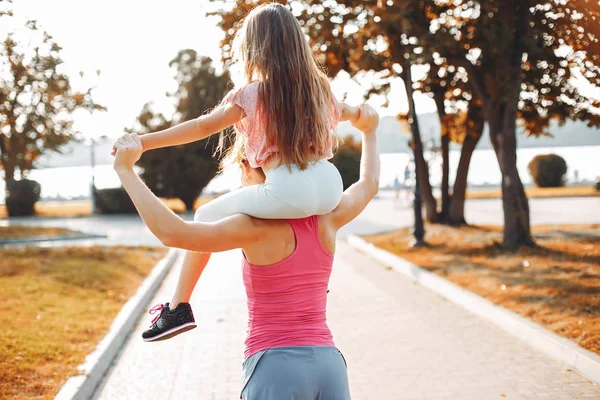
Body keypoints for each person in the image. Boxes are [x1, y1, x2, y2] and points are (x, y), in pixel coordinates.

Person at [112, 3, 364, 341]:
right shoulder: (319, 88)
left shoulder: (252, 94)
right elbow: (347, 111)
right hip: (330, 184)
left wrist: (142, 142)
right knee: (297, 221)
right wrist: (365, 116)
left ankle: (178, 307)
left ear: (254, 48)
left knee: (204, 214)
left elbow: (201, 127)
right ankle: (310, 286)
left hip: (288, 189)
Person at [112, 103, 380, 399]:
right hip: (330, 365)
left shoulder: (251, 227)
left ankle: (178, 308)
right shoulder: (328, 217)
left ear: (253, 163)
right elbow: (368, 184)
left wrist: (126, 170)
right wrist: (369, 132)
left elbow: (173, 233)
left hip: (275, 366)